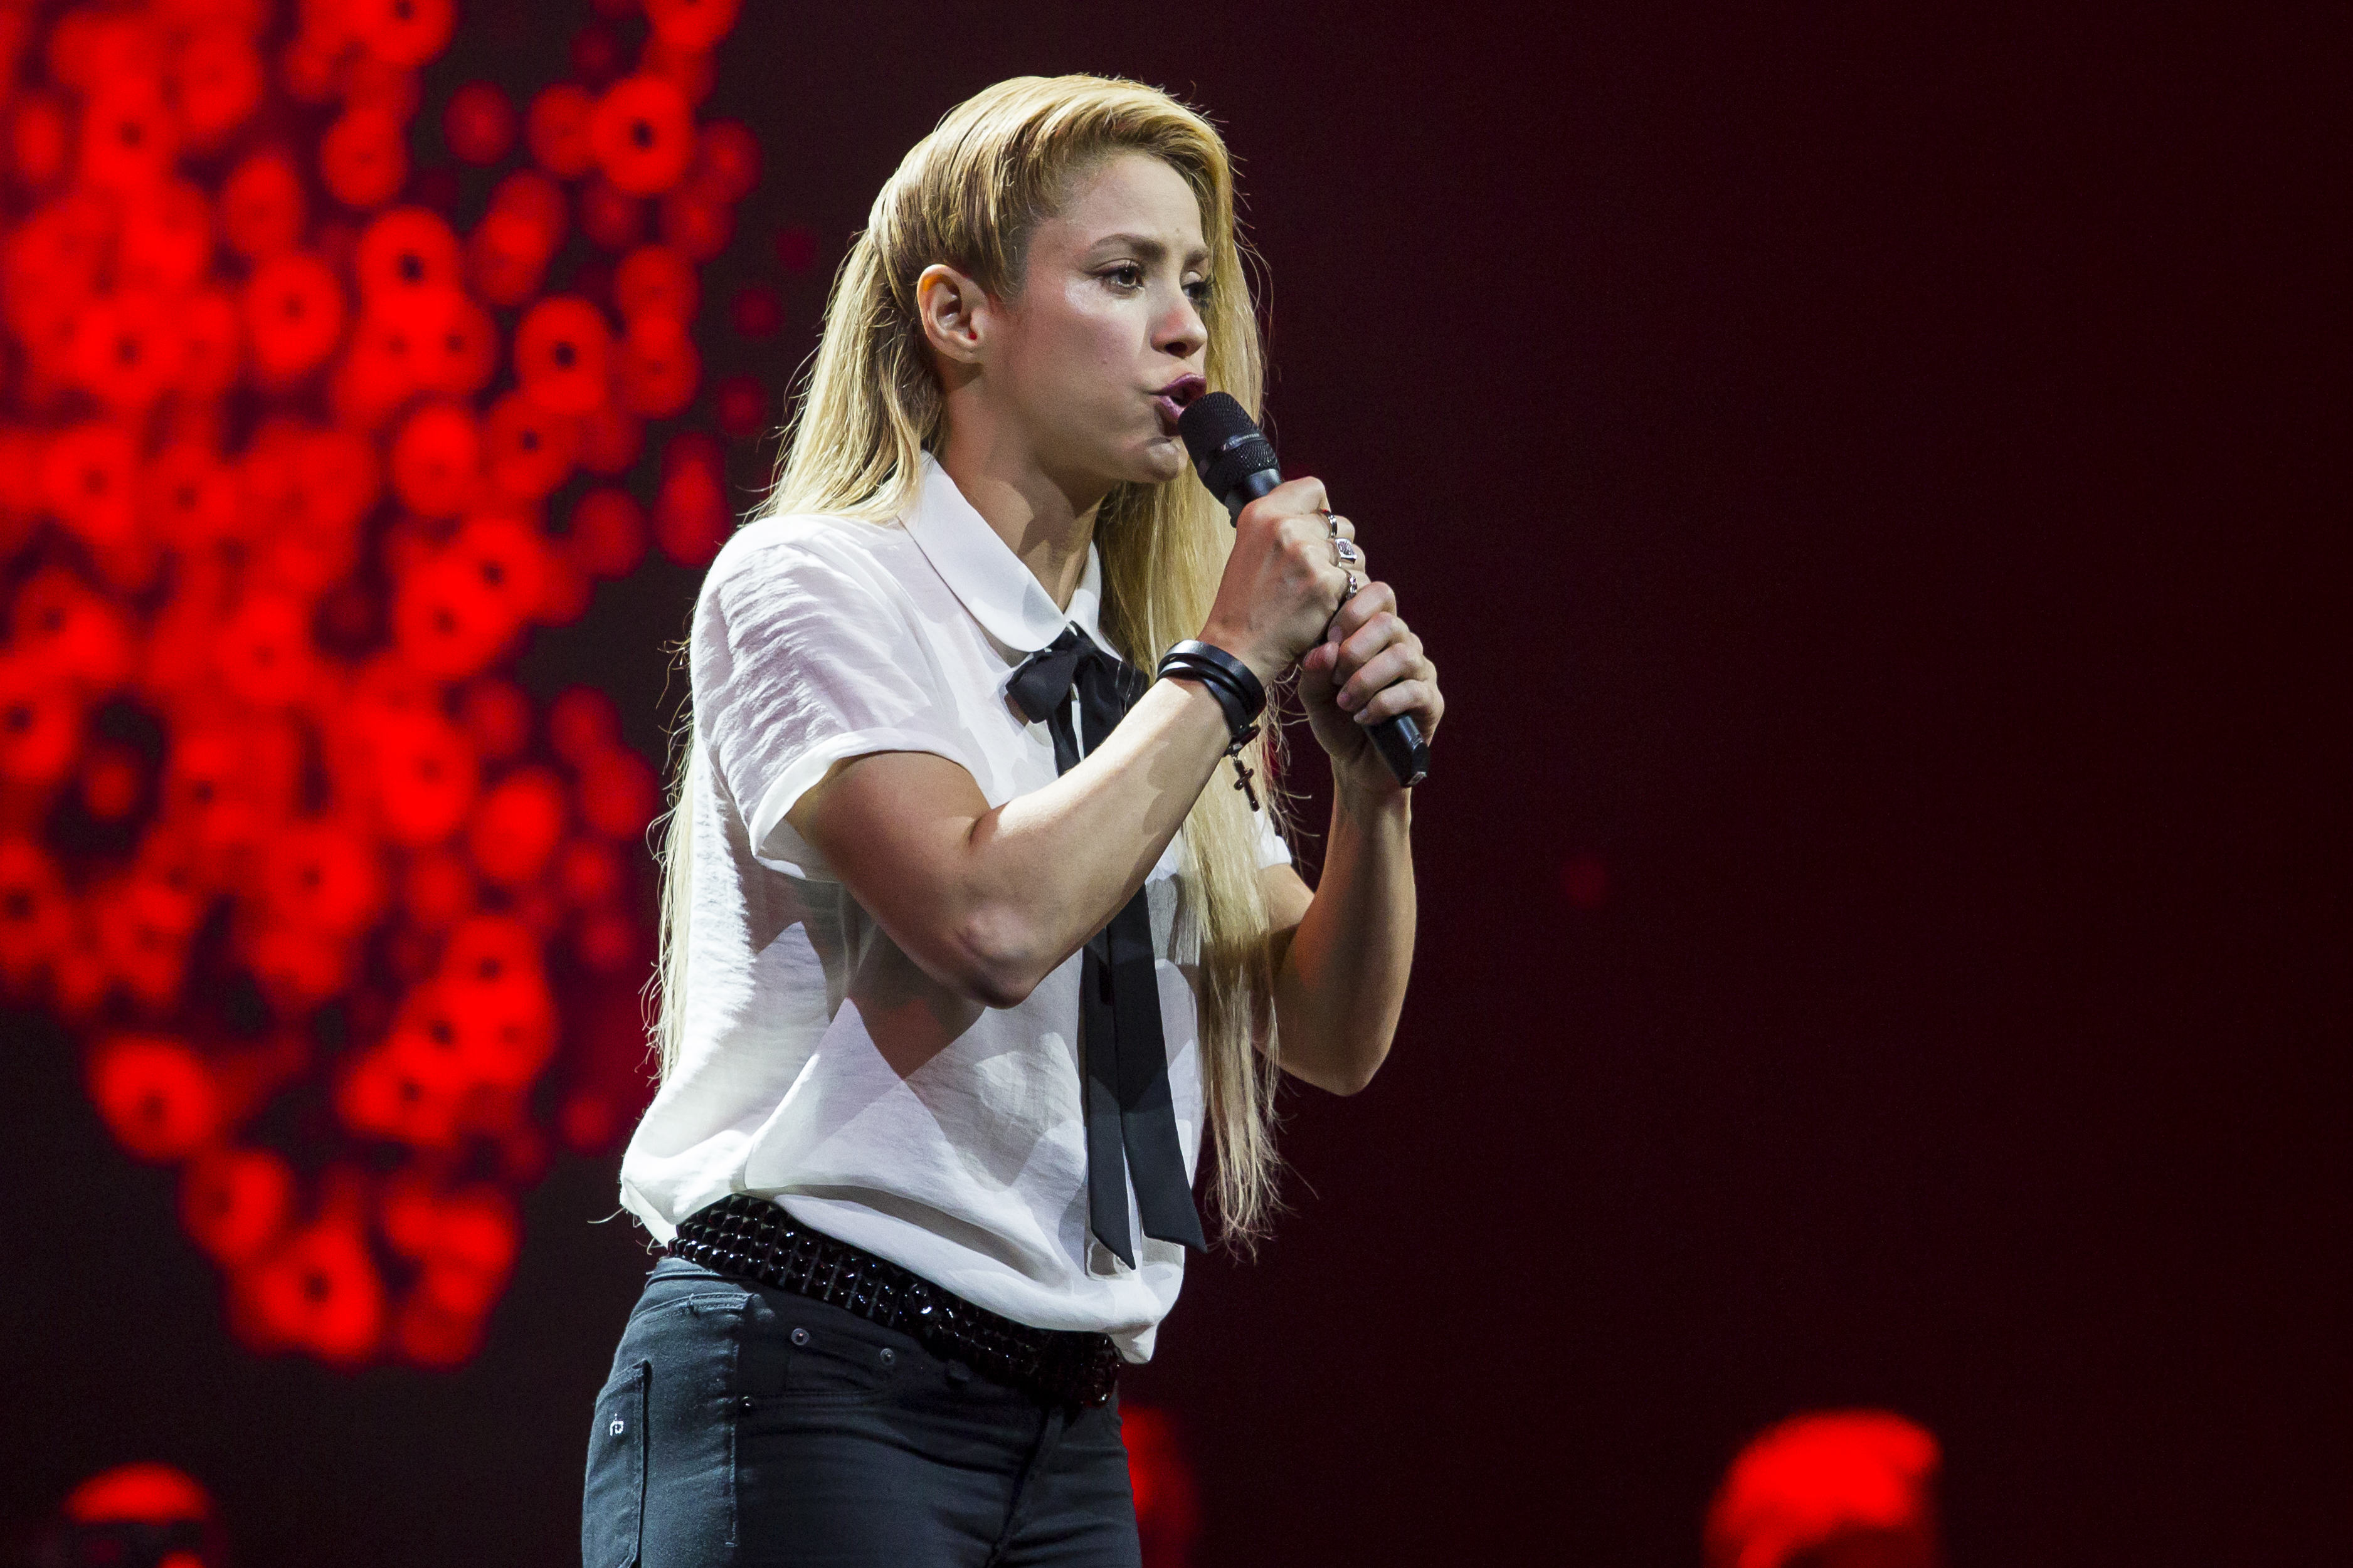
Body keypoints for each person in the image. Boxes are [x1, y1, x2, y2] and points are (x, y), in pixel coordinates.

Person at [581, 73, 1444, 1567]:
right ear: (958, 315)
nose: (1184, 328)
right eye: (1121, 275)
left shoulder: (1148, 672)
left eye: (1194, 282)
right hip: (809, 1370)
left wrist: (1371, 795)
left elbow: (1329, 1034)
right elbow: (985, 922)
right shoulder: (818, 582)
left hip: (1062, 1423)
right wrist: (1230, 664)